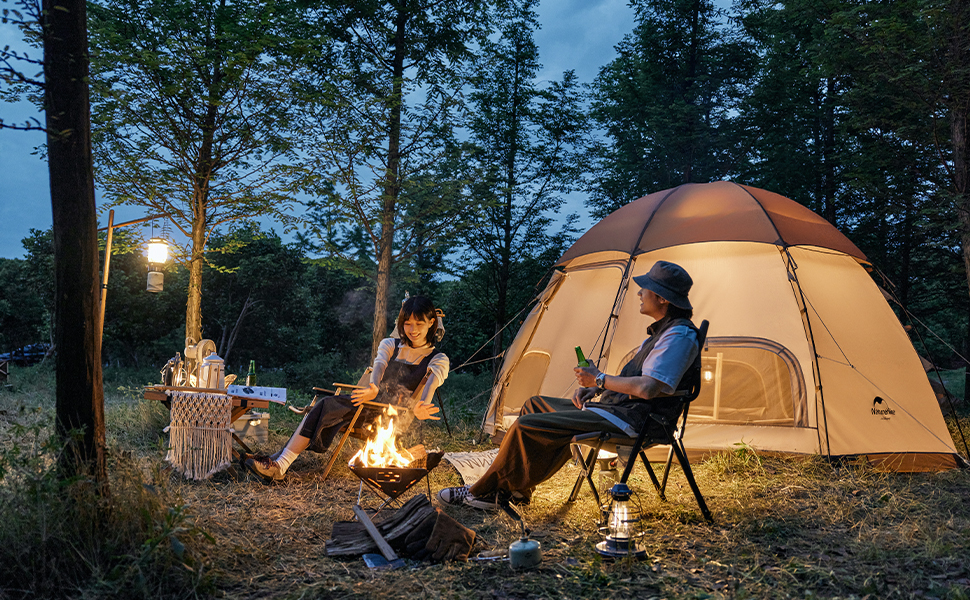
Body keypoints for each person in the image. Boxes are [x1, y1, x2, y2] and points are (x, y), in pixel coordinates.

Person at [438, 261, 699, 509]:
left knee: (527, 426)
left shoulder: (679, 335)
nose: (640, 293)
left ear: (663, 299)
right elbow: (640, 382)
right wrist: (597, 388)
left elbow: (647, 389)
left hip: (636, 422)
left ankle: (483, 492)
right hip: (620, 412)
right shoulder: (661, 333)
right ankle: (519, 490)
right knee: (535, 406)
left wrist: (599, 378)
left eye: (646, 289)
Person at [245, 295, 449, 482]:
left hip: (392, 417)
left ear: (431, 323)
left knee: (326, 405)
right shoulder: (389, 344)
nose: (412, 329)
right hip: (369, 403)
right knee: (325, 404)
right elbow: (379, 366)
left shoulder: (438, 358)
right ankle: (279, 462)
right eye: (407, 323)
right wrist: (373, 387)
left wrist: (423, 405)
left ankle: (279, 463)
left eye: (419, 324)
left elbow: (431, 381)